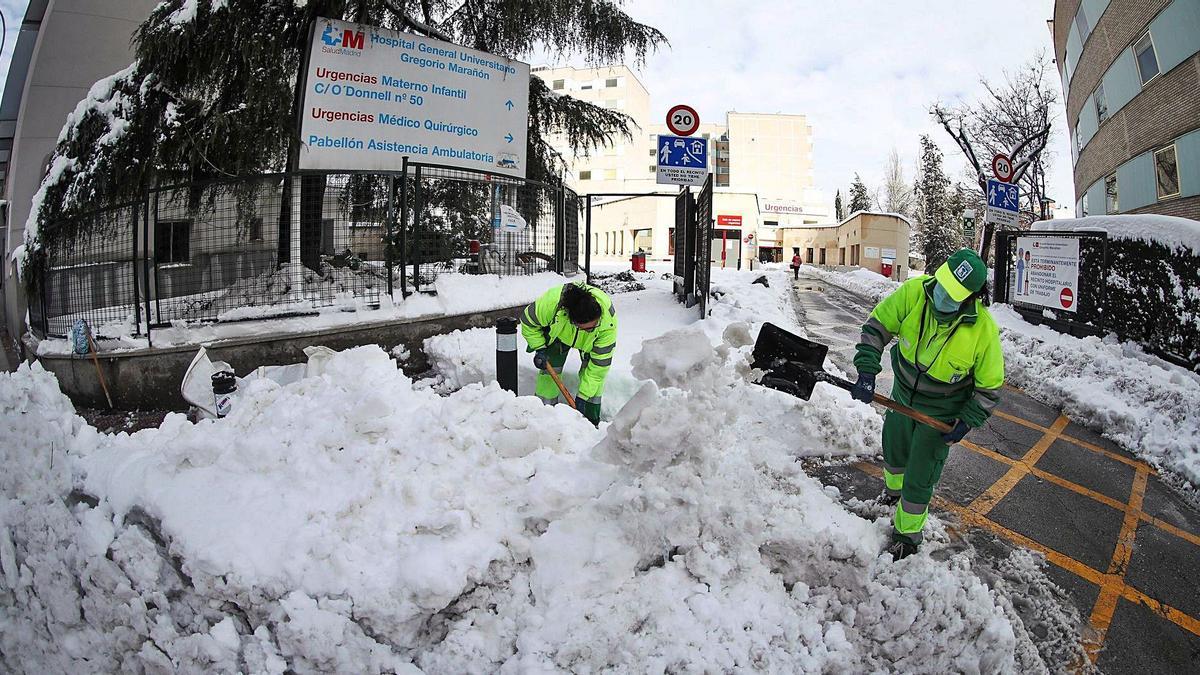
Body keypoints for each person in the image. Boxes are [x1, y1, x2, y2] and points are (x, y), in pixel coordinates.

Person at [851, 248, 1004, 561]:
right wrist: (867, 369)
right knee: (894, 449)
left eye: (954, 293)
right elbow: (877, 327)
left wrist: (968, 419)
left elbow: (989, 386)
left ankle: (907, 535)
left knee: (921, 472)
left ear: (972, 297)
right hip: (903, 393)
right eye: (943, 284)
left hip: (942, 409)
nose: (943, 294)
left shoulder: (983, 330)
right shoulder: (913, 293)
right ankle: (893, 493)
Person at [519, 281, 618, 426]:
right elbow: (528, 322)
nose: (589, 329)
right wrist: (539, 348)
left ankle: (590, 423)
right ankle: (545, 417)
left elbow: (598, 368)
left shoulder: (607, 324)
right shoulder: (551, 305)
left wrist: (583, 396)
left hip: (592, 341)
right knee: (549, 374)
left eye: (592, 326)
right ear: (571, 320)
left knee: (593, 381)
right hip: (560, 333)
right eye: (585, 328)